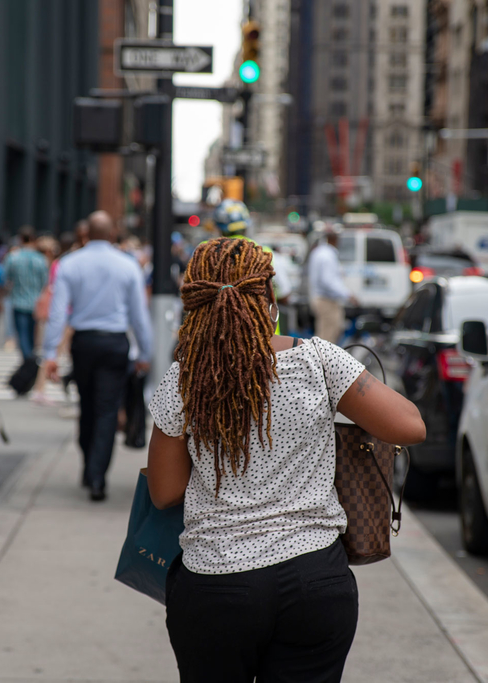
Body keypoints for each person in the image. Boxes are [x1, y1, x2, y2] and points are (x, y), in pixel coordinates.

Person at [146, 238, 426, 681]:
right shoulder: (319, 360)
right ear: (270, 297)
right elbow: (410, 426)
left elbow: (164, 492)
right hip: (314, 580)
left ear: (193, 301)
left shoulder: (183, 382)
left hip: (216, 582)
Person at [42, 211, 152, 501]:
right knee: (106, 410)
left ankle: (89, 464)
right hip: (115, 343)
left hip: (84, 343)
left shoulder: (69, 264)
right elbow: (138, 315)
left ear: (85, 234)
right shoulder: (128, 266)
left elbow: (57, 313)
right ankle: (97, 476)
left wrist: (50, 353)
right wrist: (145, 351)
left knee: (87, 406)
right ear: (113, 233)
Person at [3, 226, 48, 361]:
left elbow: (6, 279)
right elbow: (45, 282)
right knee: (33, 337)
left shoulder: (12, 258)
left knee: (22, 337)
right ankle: (30, 362)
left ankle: (28, 363)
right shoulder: (41, 259)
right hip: (35, 302)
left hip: (18, 302)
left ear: (21, 239)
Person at [307, 226, 356, 343]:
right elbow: (328, 281)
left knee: (325, 335)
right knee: (327, 338)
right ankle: (322, 361)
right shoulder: (327, 255)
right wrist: (348, 294)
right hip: (326, 301)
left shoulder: (320, 252)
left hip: (321, 299)